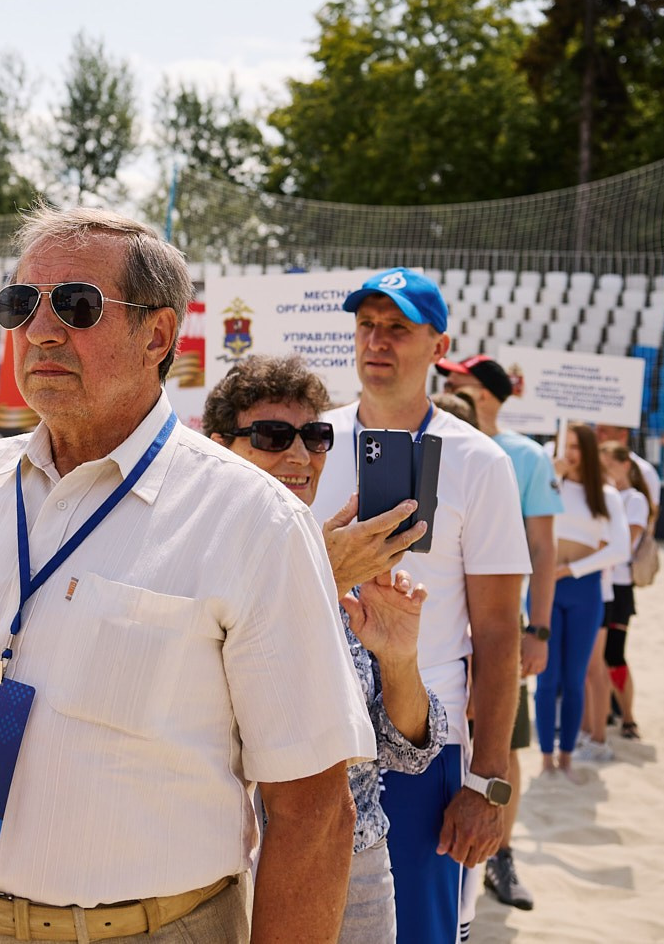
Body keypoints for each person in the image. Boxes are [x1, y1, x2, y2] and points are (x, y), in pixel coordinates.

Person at [0, 207, 374, 944]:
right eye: (20, 304)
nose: (40, 330)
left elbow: (313, 808)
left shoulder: (253, 521)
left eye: (76, 305)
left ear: (157, 335)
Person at [309, 270, 527, 944]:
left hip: (418, 747)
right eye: (366, 325)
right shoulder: (306, 445)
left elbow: (496, 633)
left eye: (397, 327)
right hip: (306, 737)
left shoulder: (480, 462)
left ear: (439, 345)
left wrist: (489, 781)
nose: (377, 340)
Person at [206, 353, 448, 944]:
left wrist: (397, 657)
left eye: (315, 436)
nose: (298, 456)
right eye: (271, 436)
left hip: (356, 861)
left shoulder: (336, 564)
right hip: (226, 866)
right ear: (218, 446)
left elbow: (408, 751)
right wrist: (316, 581)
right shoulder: (193, 558)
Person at [434, 353, 562, 915]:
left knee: (501, 742)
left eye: (456, 378)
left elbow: (543, 548)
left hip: (497, 630)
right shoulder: (430, 441)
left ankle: (502, 856)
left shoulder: (521, 457)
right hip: (437, 642)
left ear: (483, 392)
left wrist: (538, 628)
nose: (446, 382)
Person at [531, 423, 630, 782]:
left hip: (584, 589)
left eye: (576, 447)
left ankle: (567, 757)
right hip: (544, 586)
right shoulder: (547, 485)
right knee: (546, 676)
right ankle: (545, 759)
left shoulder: (606, 495)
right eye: (565, 445)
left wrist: (570, 570)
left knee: (574, 678)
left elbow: (620, 549)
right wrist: (551, 478)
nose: (569, 453)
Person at [592, 442, 653, 746]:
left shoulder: (635, 499)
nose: (605, 471)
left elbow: (623, 545)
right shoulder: (602, 496)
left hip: (619, 584)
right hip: (600, 581)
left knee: (614, 655)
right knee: (597, 657)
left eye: (609, 464)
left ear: (625, 464)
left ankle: (627, 716)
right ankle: (604, 715)